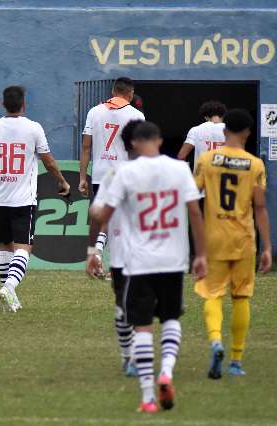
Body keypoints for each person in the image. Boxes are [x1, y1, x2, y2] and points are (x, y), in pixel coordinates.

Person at [89, 121, 207, 413]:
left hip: (137, 260)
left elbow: (104, 212)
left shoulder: (124, 173)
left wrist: (93, 230)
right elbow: (195, 211)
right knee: (170, 319)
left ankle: (147, 396)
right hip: (173, 259)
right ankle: (166, 371)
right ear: (160, 139)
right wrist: (201, 254)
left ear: (132, 144)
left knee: (141, 325)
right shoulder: (180, 170)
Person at [0, 86, 70, 312]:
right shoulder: (33, 128)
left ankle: (7, 300)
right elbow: (48, 161)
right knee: (24, 248)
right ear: (24, 104)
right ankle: (9, 286)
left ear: (2, 104)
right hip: (24, 200)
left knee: (5, 247)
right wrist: (62, 182)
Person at [194, 109, 272, 379]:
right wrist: (267, 248)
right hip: (244, 239)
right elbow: (260, 207)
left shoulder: (206, 160)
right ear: (248, 133)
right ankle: (236, 360)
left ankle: (216, 341)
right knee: (241, 297)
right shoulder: (255, 164)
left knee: (212, 293)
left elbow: (194, 198)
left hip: (214, 236)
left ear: (225, 131)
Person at [87, 119, 143, 378]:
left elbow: (97, 215)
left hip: (122, 254)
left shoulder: (114, 175)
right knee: (151, 312)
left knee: (123, 306)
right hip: (155, 254)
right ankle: (159, 367)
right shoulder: (169, 171)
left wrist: (91, 252)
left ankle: (129, 357)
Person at [79, 77, 145, 274]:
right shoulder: (137, 116)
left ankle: (96, 253)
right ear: (130, 94)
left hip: (100, 174)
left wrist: (83, 175)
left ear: (113, 91)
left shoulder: (94, 111)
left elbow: (86, 146)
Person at [177, 101, 227, 167]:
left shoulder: (195, 130)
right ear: (223, 115)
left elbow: (181, 156)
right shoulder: (231, 131)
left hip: (201, 175)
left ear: (205, 117)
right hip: (224, 175)